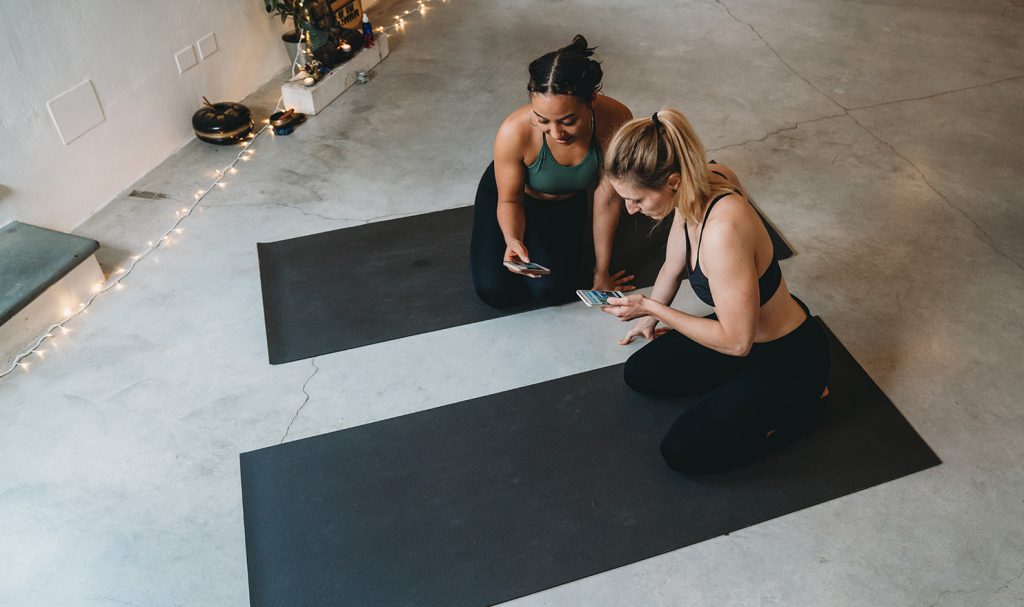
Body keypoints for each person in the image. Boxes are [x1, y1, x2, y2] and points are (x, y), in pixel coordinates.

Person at [600, 109, 830, 474]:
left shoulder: (723, 230)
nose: (630, 210)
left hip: (786, 353)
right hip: (743, 334)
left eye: (638, 200)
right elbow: (673, 266)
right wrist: (651, 311)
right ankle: (747, 389)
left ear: (673, 181)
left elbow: (737, 342)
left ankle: (805, 401)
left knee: (682, 451)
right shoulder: (694, 186)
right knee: (641, 372)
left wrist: (652, 308)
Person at [470, 35, 634, 309]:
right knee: (494, 292)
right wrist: (513, 240)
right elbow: (509, 199)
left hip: (566, 203)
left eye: (569, 121)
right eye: (543, 120)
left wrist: (601, 271)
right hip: (512, 198)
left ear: (591, 100)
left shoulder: (615, 119)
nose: (557, 133)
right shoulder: (513, 131)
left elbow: (607, 198)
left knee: (554, 292)